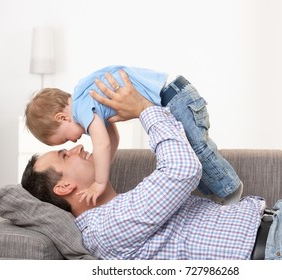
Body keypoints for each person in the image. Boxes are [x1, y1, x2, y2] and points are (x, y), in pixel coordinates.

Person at [22, 70, 282, 260]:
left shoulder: (122, 205)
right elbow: (183, 170)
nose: (77, 147)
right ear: (64, 187)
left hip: (281, 218)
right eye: (65, 155)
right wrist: (145, 109)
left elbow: (106, 143)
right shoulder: (106, 226)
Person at [24, 65, 242, 205]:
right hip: (176, 95)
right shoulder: (88, 100)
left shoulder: (81, 107)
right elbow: (111, 141)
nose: (74, 141)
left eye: (64, 139)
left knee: (199, 150)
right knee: (194, 154)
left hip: (175, 99)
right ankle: (220, 194)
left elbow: (101, 145)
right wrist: (101, 166)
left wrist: (99, 182)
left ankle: (231, 191)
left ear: (62, 118)